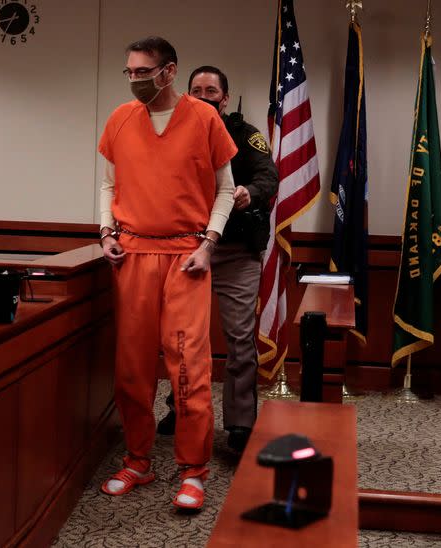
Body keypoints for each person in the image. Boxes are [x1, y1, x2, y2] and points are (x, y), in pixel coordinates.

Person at [97, 38, 237, 511]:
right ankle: (139, 459)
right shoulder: (120, 118)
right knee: (132, 366)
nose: (134, 79)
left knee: (188, 367)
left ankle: (193, 470)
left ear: (169, 71)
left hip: (185, 255)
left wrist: (209, 242)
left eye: (143, 72)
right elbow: (108, 182)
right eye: (129, 72)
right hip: (132, 253)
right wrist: (105, 230)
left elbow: (226, 188)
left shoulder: (204, 117)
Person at [156, 66, 279, 453]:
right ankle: (183, 407)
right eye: (197, 90)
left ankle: (241, 425)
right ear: (186, 94)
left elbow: (268, 177)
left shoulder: (245, 135)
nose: (204, 96)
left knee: (240, 339)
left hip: (235, 251)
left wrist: (250, 193)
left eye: (212, 91)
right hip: (185, 249)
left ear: (225, 98)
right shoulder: (171, 131)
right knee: (183, 339)